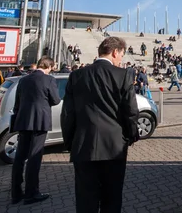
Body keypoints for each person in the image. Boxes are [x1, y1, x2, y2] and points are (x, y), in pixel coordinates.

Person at [61, 36, 139, 213]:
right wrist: (131, 135)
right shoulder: (123, 75)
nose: (121, 59)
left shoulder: (76, 75)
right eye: (121, 55)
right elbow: (131, 112)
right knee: (111, 199)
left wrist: (70, 142)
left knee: (85, 200)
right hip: (114, 146)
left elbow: (68, 114)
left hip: (83, 146)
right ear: (114, 52)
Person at [11, 56, 61, 205]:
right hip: (40, 121)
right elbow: (56, 100)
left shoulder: (24, 80)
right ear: (50, 66)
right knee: (34, 156)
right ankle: (31, 192)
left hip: (23, 120)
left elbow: (17, 102)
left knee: (20, 156)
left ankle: (16, 193)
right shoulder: (49, 80)